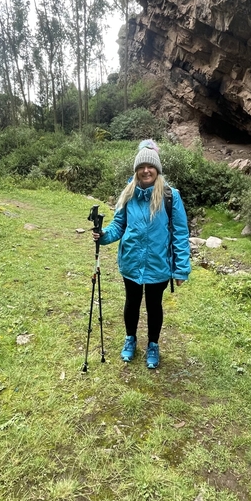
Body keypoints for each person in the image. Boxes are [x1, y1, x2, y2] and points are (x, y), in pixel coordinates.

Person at [93, 139, 191, 368]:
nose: (146, 171)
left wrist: (181, 268)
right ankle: (130, 339)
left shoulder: (170, 196)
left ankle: (153, 345)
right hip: (131, 261)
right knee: (132, 301)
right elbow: (119, 225)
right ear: (136, 170)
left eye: (150, 166)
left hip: (158, 263)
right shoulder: (128, 194)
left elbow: (179, 233)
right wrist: (104, 235)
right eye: (141, 167)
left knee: (154, 305)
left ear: (157, 169)